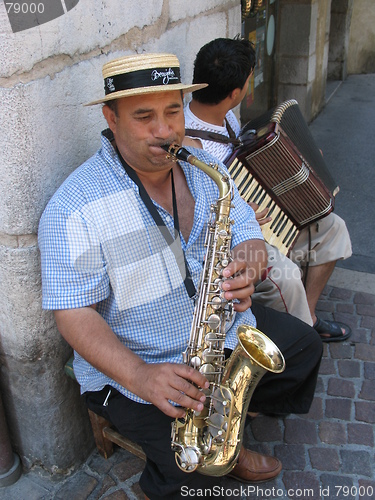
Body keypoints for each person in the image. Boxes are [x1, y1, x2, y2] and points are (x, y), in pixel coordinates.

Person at [38, 53, 323, 500]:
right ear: (110, 118)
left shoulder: (205, 167)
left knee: (305, 348)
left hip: (220, 335)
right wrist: (141, 376)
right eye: (144, 116)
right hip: (141, 366)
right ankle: (185, 471)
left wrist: (250, 256)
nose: (165, 130)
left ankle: (231, 435)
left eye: (173, 111)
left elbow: (246, 225)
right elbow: (74, 315)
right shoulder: (74, 207)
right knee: (191, 466)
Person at [184, 37, 353, 342]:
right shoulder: (190, 143)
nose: (250, 86)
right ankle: (302, 344)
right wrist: (243, 211)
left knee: (332, 227)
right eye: (250, 80)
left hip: (260, 214)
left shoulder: (226, 117)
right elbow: (194, 212)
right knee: (284, 277)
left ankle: (308, 319)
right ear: (235, 93)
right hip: (232, 236)